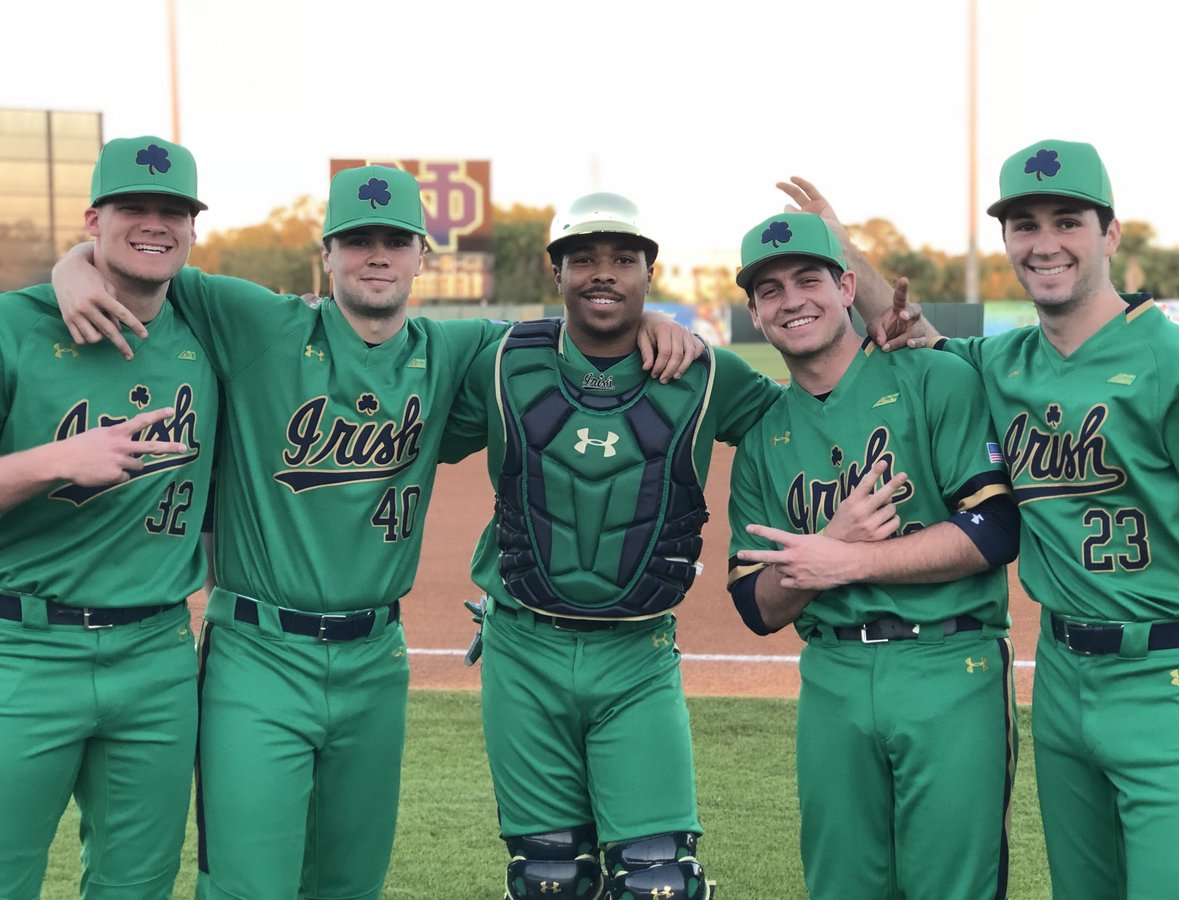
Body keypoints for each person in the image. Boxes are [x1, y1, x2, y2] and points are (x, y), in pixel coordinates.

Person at [52, 170, 699, 900]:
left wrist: (654, 321)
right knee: (246, 886)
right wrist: (71, 269)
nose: (377, 255)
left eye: (396, 240)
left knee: (350, 884)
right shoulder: (257, 321)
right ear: (326, 254)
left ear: (423, 255)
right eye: (358, 240)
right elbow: (143, 263)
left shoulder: (458, 350)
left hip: (376, 663)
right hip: (259, 657)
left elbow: (587, 331)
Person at [844, 139, 1179, 900]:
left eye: (1067, 221)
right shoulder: (1003, 364)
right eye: (1024, 224)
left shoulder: (1176, 362)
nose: (1044, 244)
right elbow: (909, 330)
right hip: (1063, 681)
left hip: (1173, 679)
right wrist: (839, 245)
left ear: (1109, 233)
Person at [439, 192, 789, 900]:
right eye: (584, 259)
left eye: (622, 260)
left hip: (637, 656)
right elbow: (400, 416)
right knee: (549, 881)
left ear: (648, 273)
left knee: (658, 878)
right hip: (523, 650)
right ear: (557, 272)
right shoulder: (501, 359)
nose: (604, 274)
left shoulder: (707, 374)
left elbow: (811, 411)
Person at [725, 211, 1020, 899]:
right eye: (770, 290)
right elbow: (753, 605)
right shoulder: (763, 434)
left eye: (808, 279)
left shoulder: (932, 379)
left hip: (950, 665)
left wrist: (848, 560)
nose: (792, 299)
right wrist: (832, 545)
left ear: (847, 286)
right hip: (832, 677)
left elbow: (995, 527)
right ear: (755, 314)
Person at [0, 136, 216, 899]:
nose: (155, 224)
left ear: (194, 230)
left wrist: (72, 265)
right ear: (94, 218)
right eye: (134, 208)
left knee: (137, 885)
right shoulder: (13, 326)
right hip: (22, 650)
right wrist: (52, 461)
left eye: (173, 212)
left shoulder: (211, 329)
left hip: (157, 655)